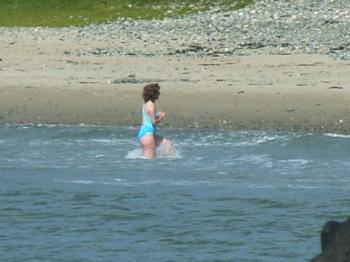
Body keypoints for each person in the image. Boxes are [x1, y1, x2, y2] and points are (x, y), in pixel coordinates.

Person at [137, 83, 171, 159]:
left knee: (166, 143)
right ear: (153, 94)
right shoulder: (151, 104)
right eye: (157, 92)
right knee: (149, 161)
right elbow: (153, 122)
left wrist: (157, 116)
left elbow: (147, 120)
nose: (159, 94)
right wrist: (161, 117)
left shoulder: (145, 104)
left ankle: (166, 163)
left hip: (144, 133)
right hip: (147, 134)